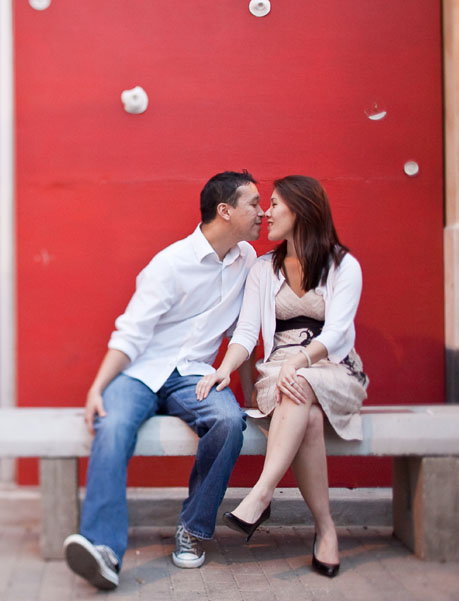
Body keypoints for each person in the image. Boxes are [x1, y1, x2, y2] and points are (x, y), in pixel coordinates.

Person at [63, 171, 264, 591]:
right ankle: (104, 550)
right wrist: (98, 386)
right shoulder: (170, 264)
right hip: (142, 373)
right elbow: (131, 332)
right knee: (112, 424)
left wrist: (241, 382)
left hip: (194, 376)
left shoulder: (249, 260)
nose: (262, 212)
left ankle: (192, 528)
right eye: (254, 204)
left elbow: (245, 330)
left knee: (228, 423)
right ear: (225, 211)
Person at [196, 175, 368, 579]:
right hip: (280, 373)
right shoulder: (262, 268)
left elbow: (340, 331)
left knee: (302, 381)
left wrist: (302, 360)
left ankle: (261, 493)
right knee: (304, 413)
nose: (265, 213)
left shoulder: (344, 265)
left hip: (334, 368)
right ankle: (326, 532)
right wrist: (224, 369)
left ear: (302, 210)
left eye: (274, 205)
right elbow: (246, 332)